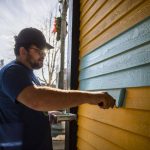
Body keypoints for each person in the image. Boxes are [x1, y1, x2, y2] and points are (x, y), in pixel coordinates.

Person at [0, 28, 115, 150]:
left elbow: (27, 106)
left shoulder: (28, 74)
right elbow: (37, 100)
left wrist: (45, 113)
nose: (43, 55)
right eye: (39, 51)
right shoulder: (12, 72)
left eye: (44, 52)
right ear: (23, 51)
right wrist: (92, 97)